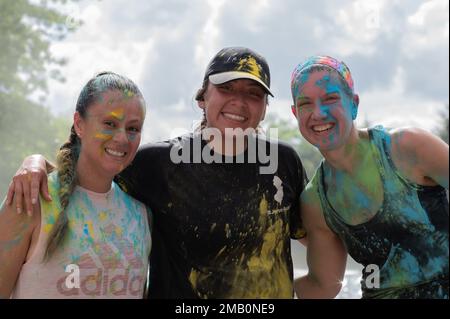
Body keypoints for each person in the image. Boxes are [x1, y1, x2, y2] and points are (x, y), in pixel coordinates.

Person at [5, 47, 320, 299]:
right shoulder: (157, 163)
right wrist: (35, 163)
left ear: (265, 107)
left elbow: (320, 236)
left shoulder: (282, 162)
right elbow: (88, 175)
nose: (239, 101)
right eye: (226, 88)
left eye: (254, 93)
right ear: (202, 98)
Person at [290, 55, 449, 299]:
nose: (318, 113)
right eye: (305, 104)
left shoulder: (407, 148)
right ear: (295, 113)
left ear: (353, 104)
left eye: (330, 99)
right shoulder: (316, 202)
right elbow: (324, 286)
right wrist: (246, 293)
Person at [0, 72, 151, 298]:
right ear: (79, 124)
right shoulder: (31, 200)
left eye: (133, 129)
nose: (122, 138)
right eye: (109, 124)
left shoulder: (142, 216)